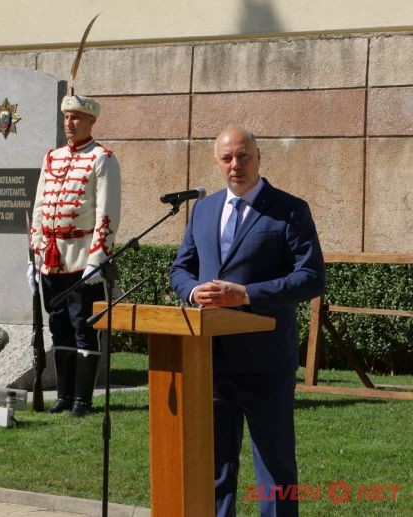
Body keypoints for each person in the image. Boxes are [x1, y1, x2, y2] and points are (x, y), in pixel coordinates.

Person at [169, 126, 325, 516]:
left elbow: (311, 278)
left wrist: (247, 294)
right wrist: (193, 291)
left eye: (243, 156)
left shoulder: (289, 209)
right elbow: (180, 269)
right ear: (217, 162)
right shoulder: (204, 210)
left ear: (259, 157)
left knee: (275, 471)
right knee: (215, 470)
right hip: (210, 360)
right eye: (227, 158)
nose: (235, 165)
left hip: (265, 362)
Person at [28, 94, 121, 417]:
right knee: (59, 326)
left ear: (92, 121)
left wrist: (97, 259)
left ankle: (83, 400)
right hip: (52, 260)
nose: (70, 123)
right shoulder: (51, 158)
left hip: (83, 260)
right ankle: (64, 396)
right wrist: (36, 256)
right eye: (67, 117)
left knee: (84, 327)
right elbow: (39, 208)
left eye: (77, 117)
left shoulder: (102, 158)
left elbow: (107, 214)